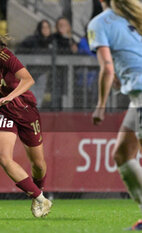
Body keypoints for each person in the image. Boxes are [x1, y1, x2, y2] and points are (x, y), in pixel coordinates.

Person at [0, 24, 52, 218]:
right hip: (0, 112)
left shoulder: (4, 56)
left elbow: (28, 80)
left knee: (38, 164)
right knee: (4, 158)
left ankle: (37, 194)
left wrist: (9, 96)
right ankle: (41, 199)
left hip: (24, 110)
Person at [88, 0, 142, 230]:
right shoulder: (137, 15)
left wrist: (101, 105)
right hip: (137, 97)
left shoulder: (99, 23)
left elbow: (107, 68)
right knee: (122, 154)